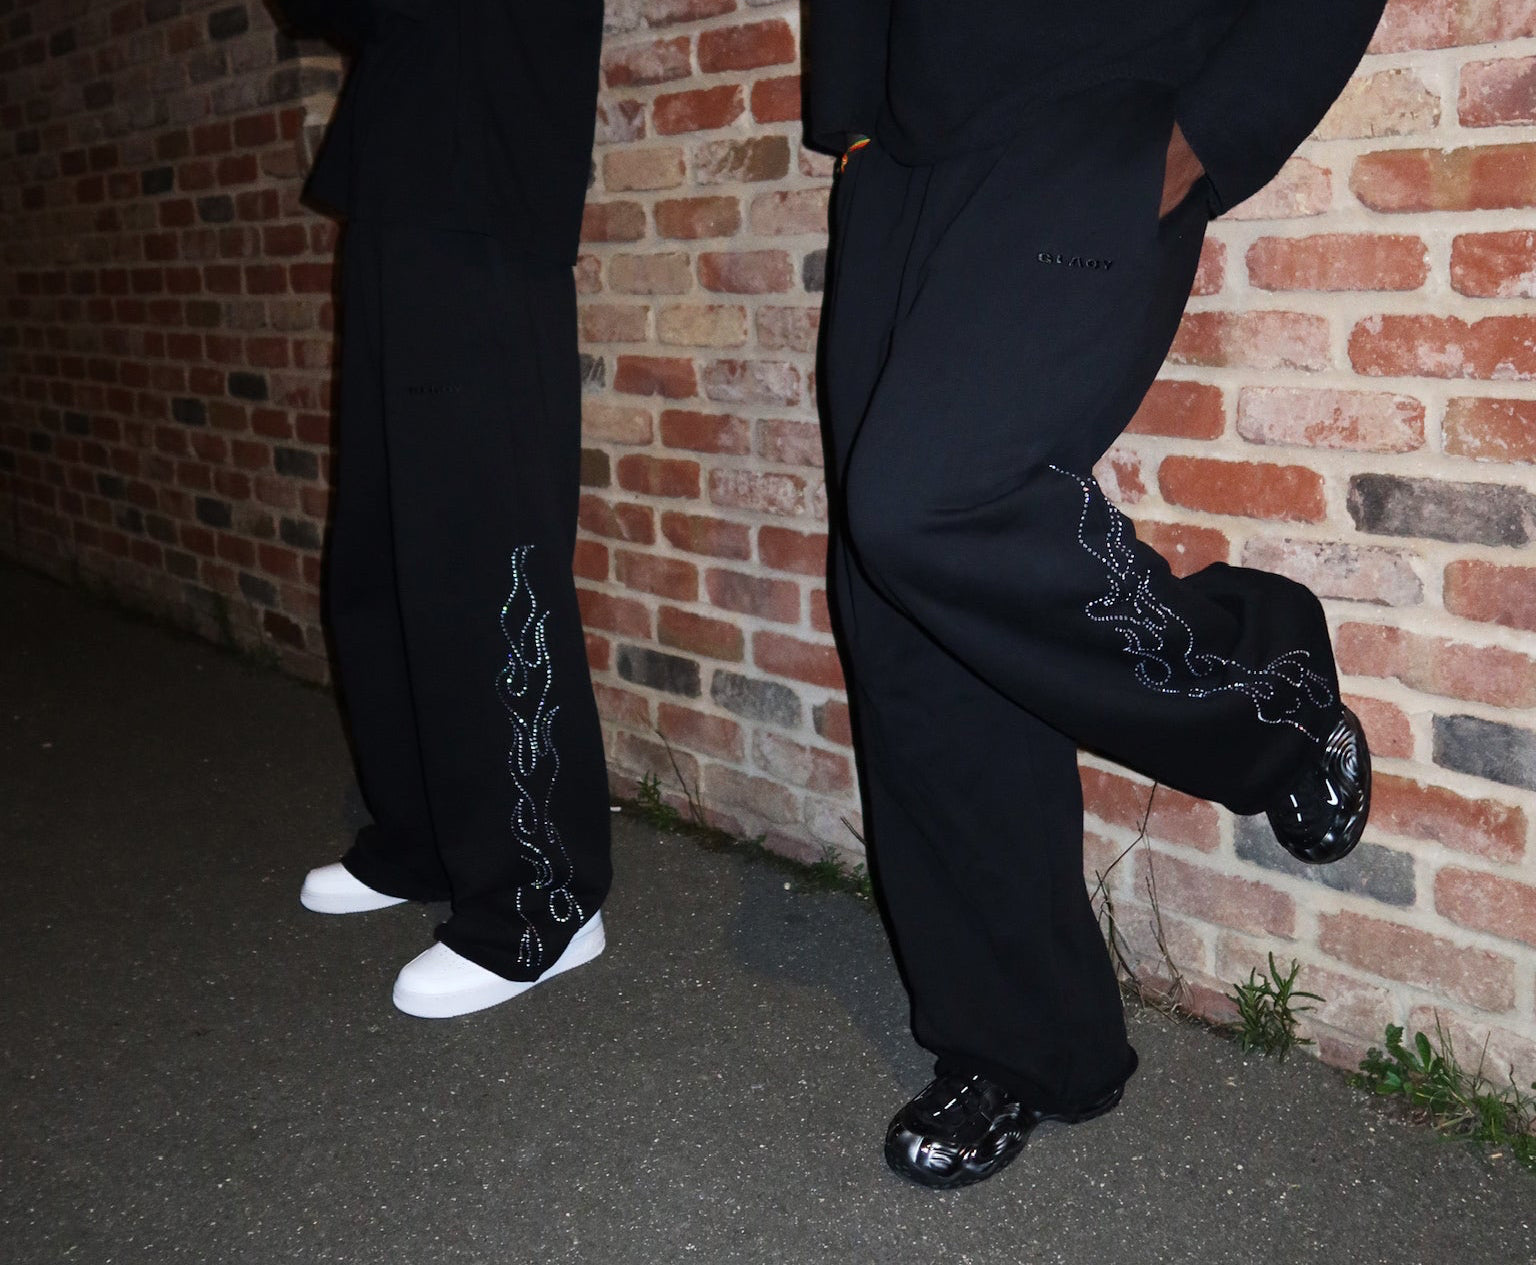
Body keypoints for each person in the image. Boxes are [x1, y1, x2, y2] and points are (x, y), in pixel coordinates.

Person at [807, 0, 1385, 1188]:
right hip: (900, 156)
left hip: (1089, 109)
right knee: (901, 609)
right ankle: (1023, 1042)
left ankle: (1273, 693)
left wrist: (1203, 135)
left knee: (927, 504)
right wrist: (856, 121)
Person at [274, 0, 613, 1019]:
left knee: (480, 544)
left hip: (484, 161)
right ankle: (424, 838)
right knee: (383, 549)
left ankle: (543, 898)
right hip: (401, 158)